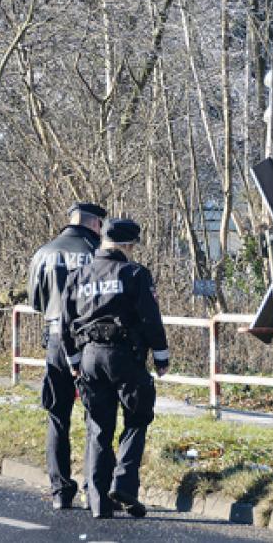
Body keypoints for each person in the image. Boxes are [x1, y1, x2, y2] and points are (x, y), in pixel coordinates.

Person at [60, 219, 170, 519]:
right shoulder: (133, 273)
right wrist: (161, 356)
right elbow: (150, 318)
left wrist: (72, 362)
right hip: (124, 356)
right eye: (132, 246)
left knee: (98, 427)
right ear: (126, 245)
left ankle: (97, 501)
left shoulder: (78, 275)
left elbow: (65, 323)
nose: (133, 252)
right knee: (137, 417)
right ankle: (124, 484)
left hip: (89, 357)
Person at [27, 202, 107, 510]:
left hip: (56, 340)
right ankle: (92, 489)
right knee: (95, 416)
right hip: (89, 340)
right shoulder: (97, 253)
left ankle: (60, 491)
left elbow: (36, 301)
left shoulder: (44, 252)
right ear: (96, 224)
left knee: (57, 415)